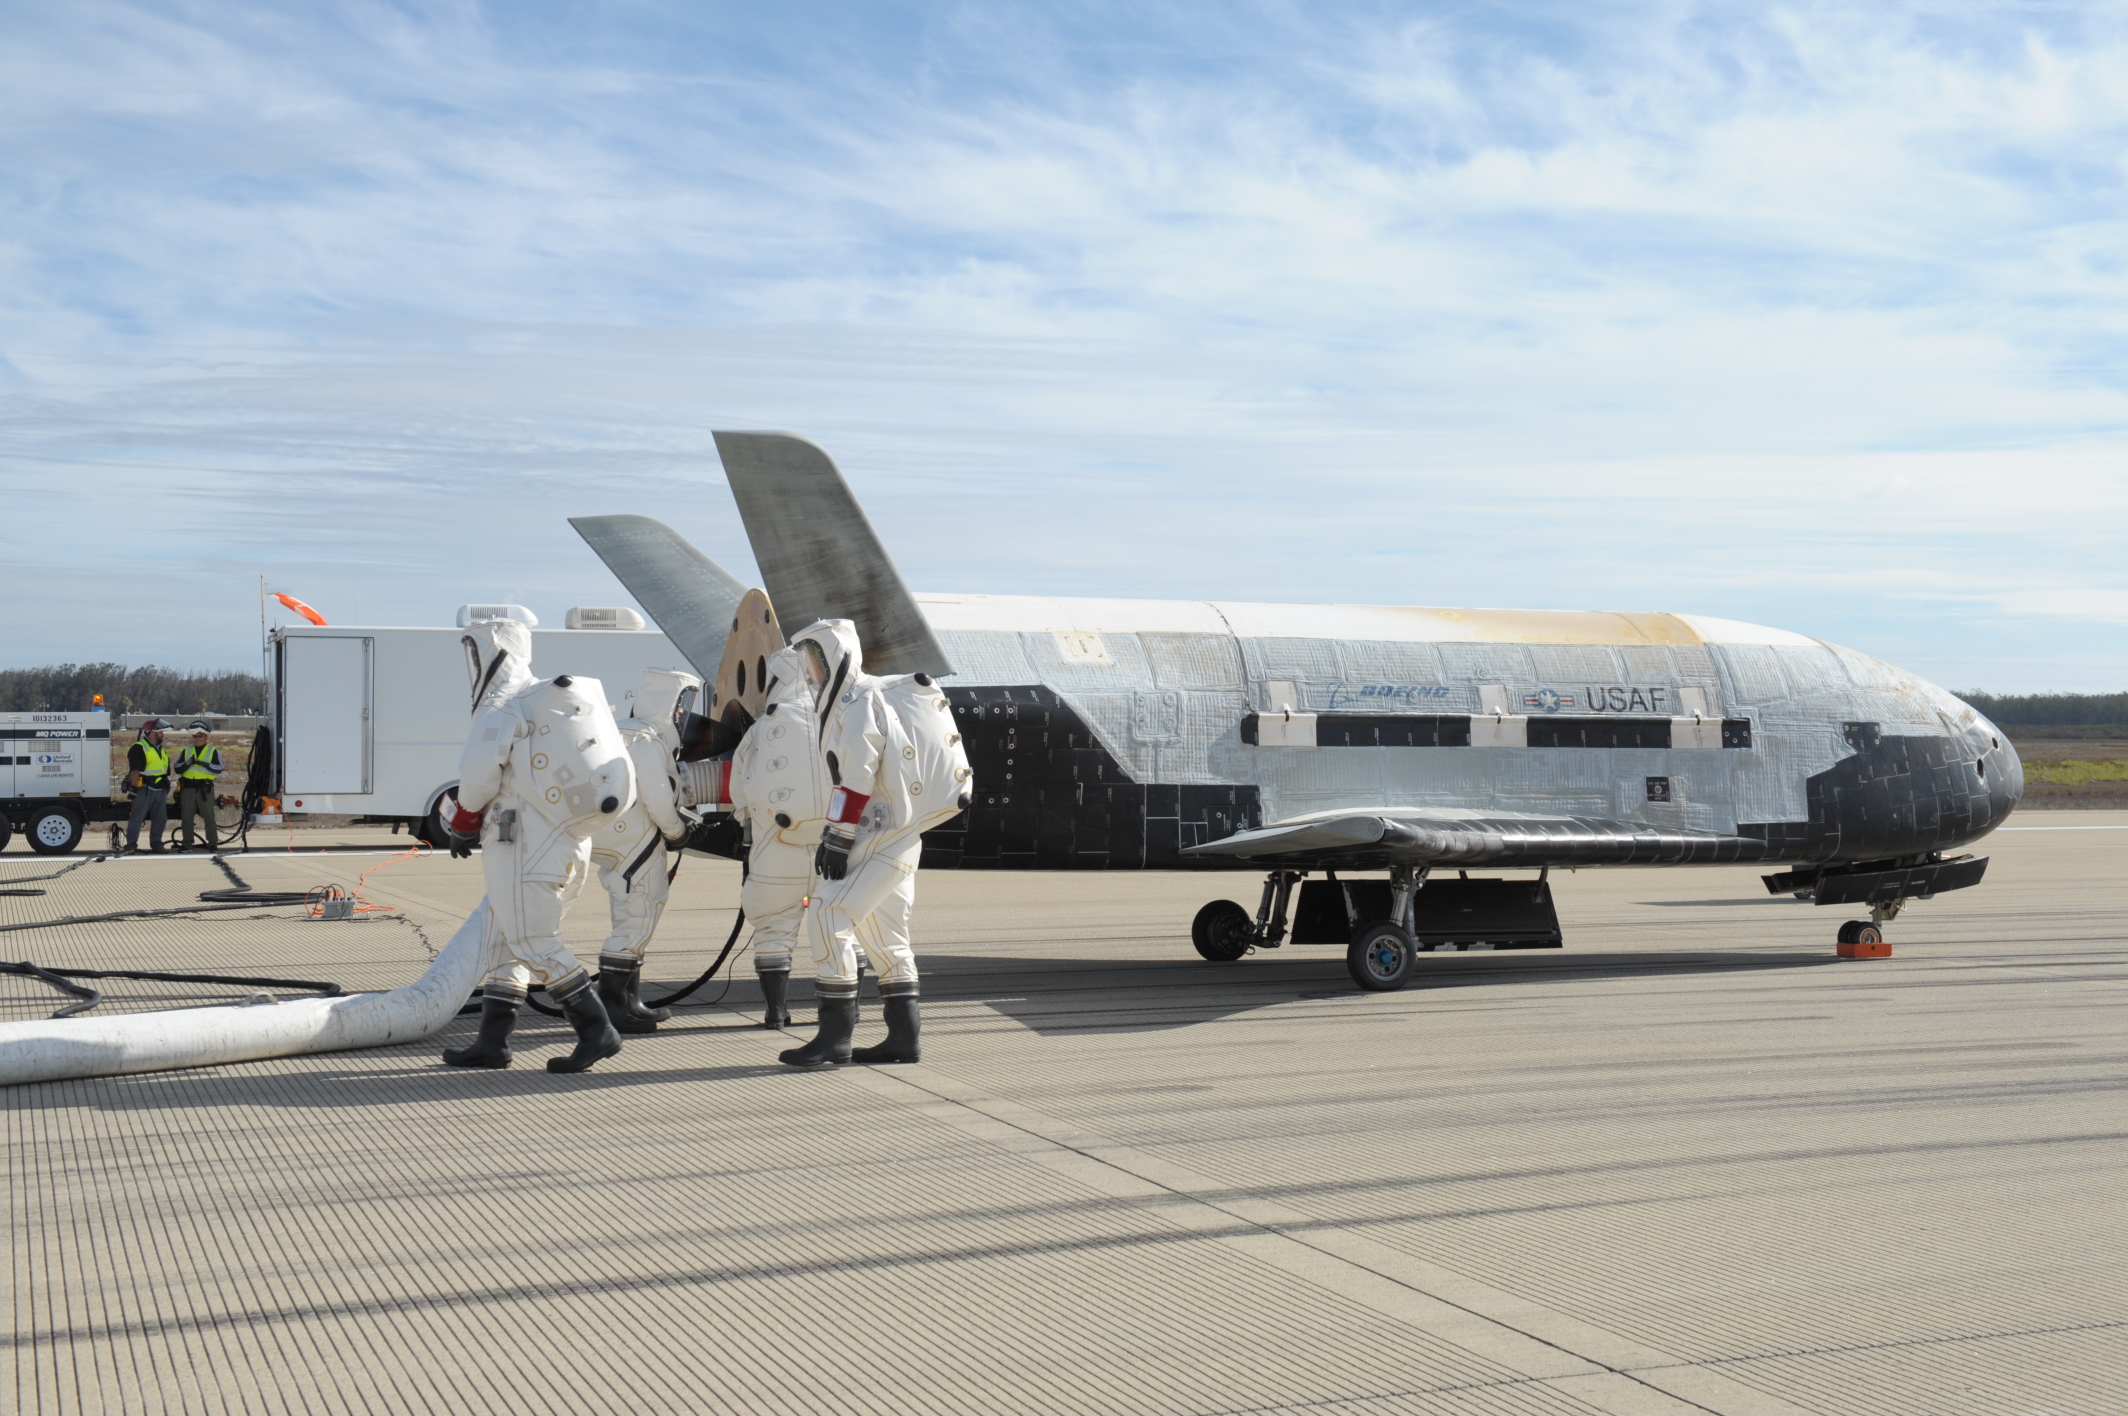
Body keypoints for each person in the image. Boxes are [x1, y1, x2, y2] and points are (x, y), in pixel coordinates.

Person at [437, 619, 636, 1074]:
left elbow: (478, 772)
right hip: (565, 842)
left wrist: (465, 822)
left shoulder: (505, 706)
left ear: (488, 655)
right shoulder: (544, 704)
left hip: (524, 844)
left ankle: (596, 1031)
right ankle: (492, 1042)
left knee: (532, 940)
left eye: (473, 653)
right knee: (508, 939)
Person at [779, 619, 969, 1068]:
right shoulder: (867, 698)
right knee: (885, 936)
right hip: (898, 836)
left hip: (879, 836)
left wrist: (837, 837)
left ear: (838, 657)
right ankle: (904, 1039)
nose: (810, 674)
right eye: (806, 664)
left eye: (815, 662)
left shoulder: (858, 700)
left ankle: (834, 1038)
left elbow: (856, 774)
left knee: (827, 916)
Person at [576, 666, 701, 1033]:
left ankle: (630, 1001)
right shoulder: (646, 739)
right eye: (683, 706)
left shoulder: (618, 731)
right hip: (637, 845)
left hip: (613, 844)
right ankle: (615, 1008)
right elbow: (658, 797)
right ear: (672, 705)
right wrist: (677, 832)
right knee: (639, 918)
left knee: (627, 917)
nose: (684, 715)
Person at [726, 643, 833, 1029]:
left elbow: (739, 789)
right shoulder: (835, 720)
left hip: (776, 847)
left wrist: (747, 824)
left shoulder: (761, 729)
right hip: (833, 848)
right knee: (841, 925)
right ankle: (842, 1014)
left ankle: (776, 1012)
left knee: (772, 925)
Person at [171, 721, 224, 851]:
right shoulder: (186, 751)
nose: (198, 739)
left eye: (200, 736)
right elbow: (177, 768)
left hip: (204, 789)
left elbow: (219, 768)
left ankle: (212, 843)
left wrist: (204, 764)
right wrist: (189, 763)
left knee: (209, 817)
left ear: (206, 737)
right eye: (195, 736)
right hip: (187, 789)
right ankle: (187, 844)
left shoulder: (213, 751)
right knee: (187, 817)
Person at [124, 719, 173, 853]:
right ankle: (131, 846)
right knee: (137, 818)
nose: (163, 734)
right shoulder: (138, 747)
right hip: (144, 788)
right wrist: (134, 789)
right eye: (160, 732)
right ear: (152, 732)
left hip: (160, 789)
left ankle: (157, 845)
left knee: (160, 818)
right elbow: (135, 771)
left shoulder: (160, 749)